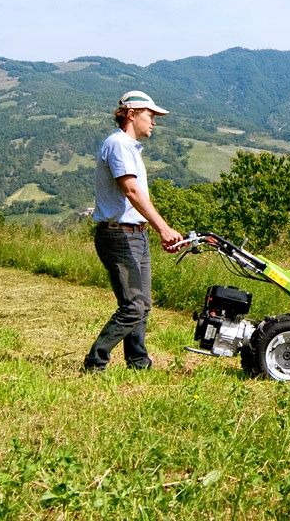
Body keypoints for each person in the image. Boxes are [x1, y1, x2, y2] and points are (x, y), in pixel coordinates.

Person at [82, 90, 182, 372]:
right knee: (133, 306)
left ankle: (138, 363)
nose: (154, 122)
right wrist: (163, 228)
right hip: (118, 234)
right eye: (151, 116)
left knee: (142, 305)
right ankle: (95, 361)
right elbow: (132, 191)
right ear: (131, 114)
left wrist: (152, 230)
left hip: (135, 234)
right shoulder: (118, 144)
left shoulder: (130, 147)